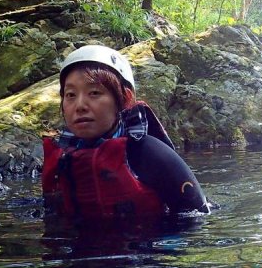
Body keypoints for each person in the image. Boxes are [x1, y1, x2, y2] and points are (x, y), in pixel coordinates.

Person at [42, 44, 209, 220]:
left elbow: (196, 219)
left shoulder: (149, 153)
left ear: (126, 98)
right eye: (70, 95)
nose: (80, 106)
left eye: (94, 93)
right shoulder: (60, 161)